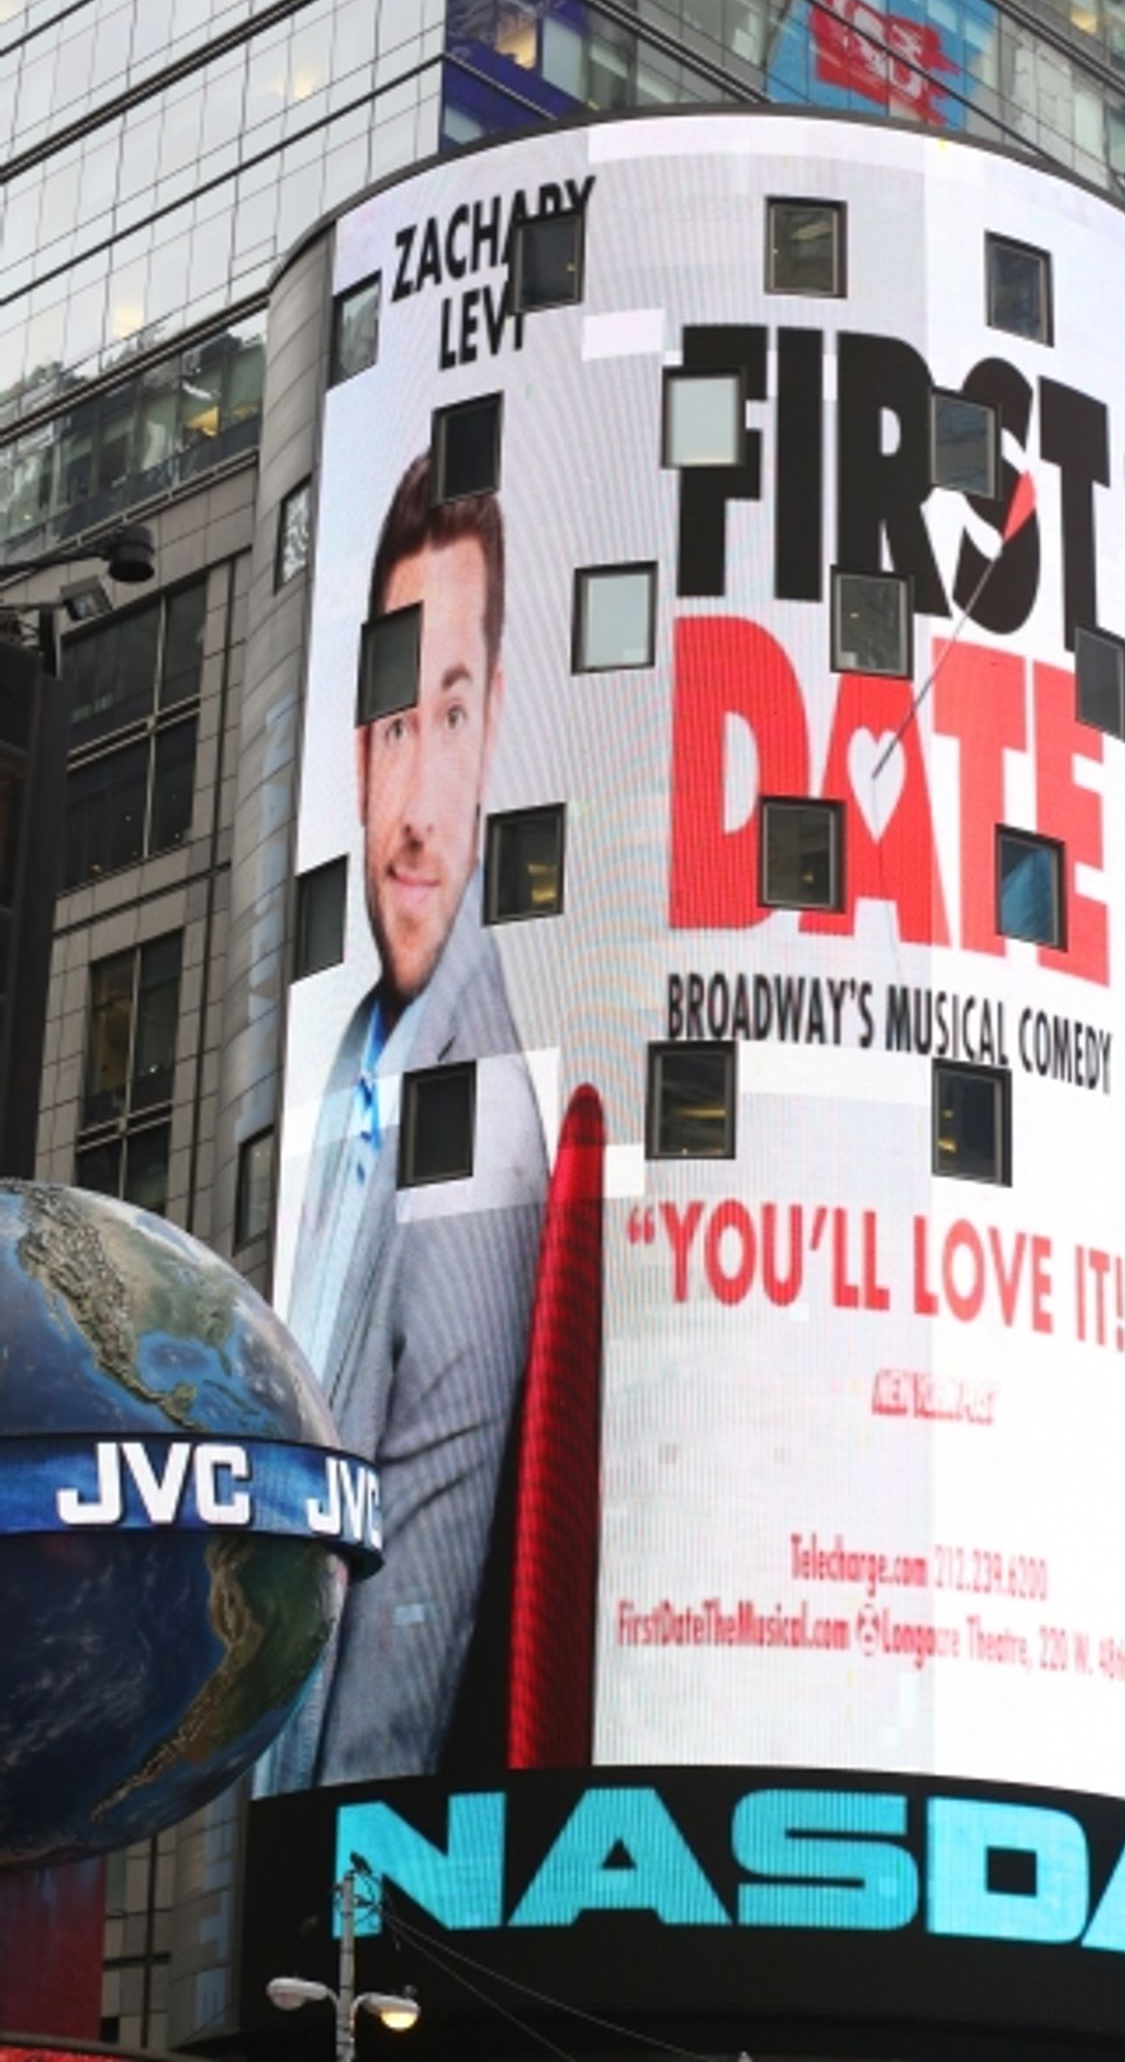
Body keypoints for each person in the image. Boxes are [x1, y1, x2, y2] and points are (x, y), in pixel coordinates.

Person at [260, 456, 547, 1793]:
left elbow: (406, 1663)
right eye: (391, 727)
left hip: (335, 1876)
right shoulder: (355, 1058)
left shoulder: (478, 1116)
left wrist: (298, 1879)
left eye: (452, 714)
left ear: (495, 737)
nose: (416, 810)